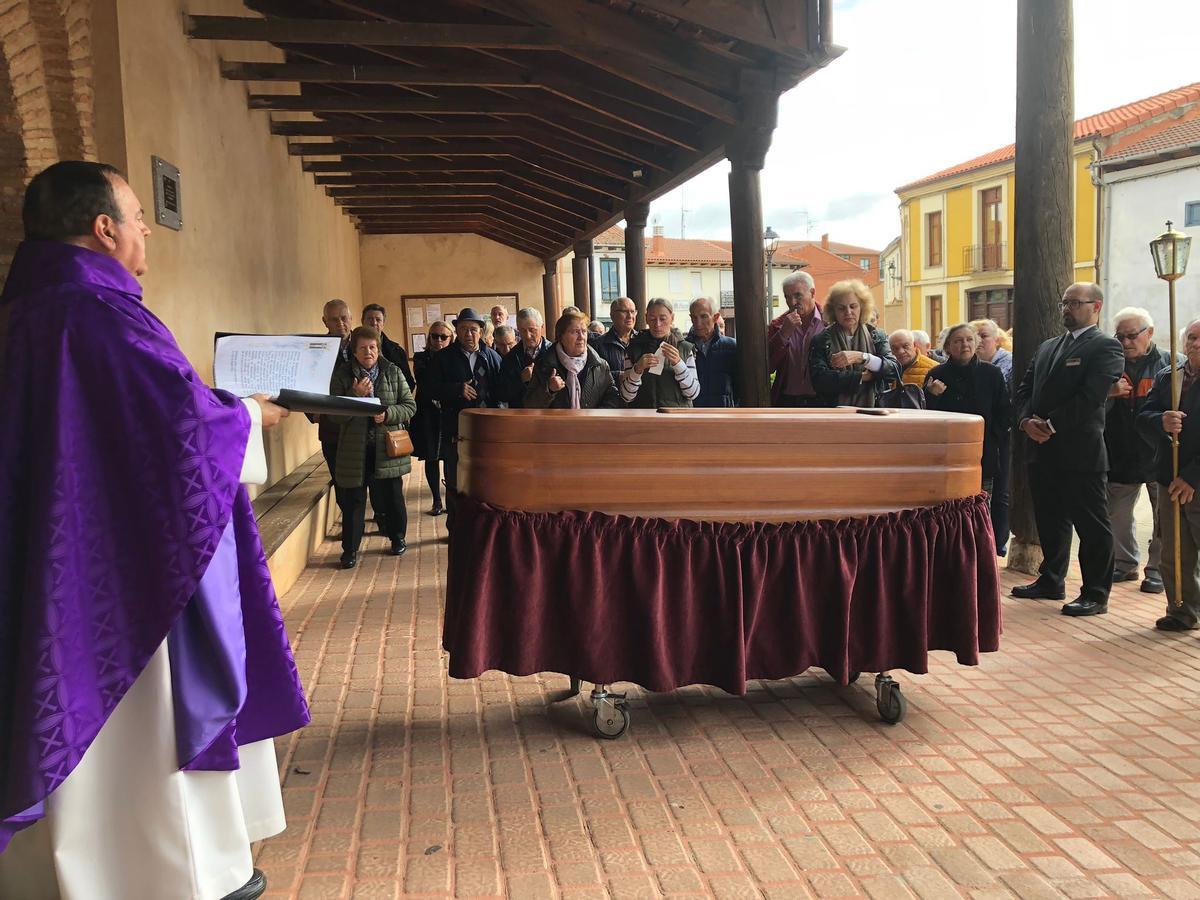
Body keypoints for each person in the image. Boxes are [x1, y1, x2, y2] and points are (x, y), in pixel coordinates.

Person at [0, 161, 309, 899]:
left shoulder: (19, 314)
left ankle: (51, 874)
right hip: (126, 565)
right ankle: (162, 873)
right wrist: (246, 415)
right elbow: (178, 426)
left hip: (46, 556)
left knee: (55, 691)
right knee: (141, 732)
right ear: (103, 228)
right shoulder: (101, 313)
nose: (146, 230)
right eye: (138, 216)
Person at [1012, 282, 1124, 616]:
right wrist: (1025, 422)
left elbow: (1091, 397)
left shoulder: (1106, 346)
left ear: (1096, 306)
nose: (1066, 309)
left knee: (1092, 526)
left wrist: (1050, 425)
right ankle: (1051, 579)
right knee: (1050, 519)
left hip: (1080, 453)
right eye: (1064, 302)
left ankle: (1095, 593)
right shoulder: (1048, 346)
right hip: (1041, 450)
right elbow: (1024, 389)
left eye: (1075, 303)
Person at [329, 326, 417, 569]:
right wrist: (355, 395)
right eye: (363, 348)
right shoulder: (342, 375)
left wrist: (388, 414)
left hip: (386, 448)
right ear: (354, 351)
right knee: (353, 501)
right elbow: (334, 414)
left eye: (372, 347)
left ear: (378, 349)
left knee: (392, 497)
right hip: (354, 449)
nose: (368, 352)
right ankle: (350, 550)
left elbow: (409, 406)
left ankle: (398, 538)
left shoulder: (392, 371)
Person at [1105, 307, 1173, 594]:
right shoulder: (1109, 364)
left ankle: (1156, 569)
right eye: (1120, 336)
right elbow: (1092, 405)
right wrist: (1108, 393)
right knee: (1117, 514)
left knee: (1163, 517)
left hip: (1159, 453)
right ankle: (1124, 563)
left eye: (1132, 335)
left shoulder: (1171, 364)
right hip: (1120, 452)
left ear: (1150, 333)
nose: (1125, 342)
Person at [1139, 318, 1200, 630]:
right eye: (1192, 337)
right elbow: (1143, 417)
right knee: (1174, 552)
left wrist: (1192, 476)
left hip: (1194, 479)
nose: (1196, 343)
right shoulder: (1169, 376)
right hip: (1169, 477)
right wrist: (1160, 421)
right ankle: (1183, 611)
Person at [426, 307, 503, 529]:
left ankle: (483, 531)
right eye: (463, 329)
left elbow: (502, 392)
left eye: (473, 329)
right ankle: (456, 531)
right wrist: (456, 389)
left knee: (485, 483)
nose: (469, 334)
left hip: (486, 433)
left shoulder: (492, 357)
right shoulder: (443, 358)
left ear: (481, 331)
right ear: (457, 332)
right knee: (455, 483)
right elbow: (429, 388)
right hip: (456, 432)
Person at [925, 325, 1011, 515]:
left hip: (984, 452)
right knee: (951, 509)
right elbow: (927, 416)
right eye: (958, 341)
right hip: (948, 454)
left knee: (982, 507)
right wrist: (932, 395)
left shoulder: (991, 373)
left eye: (969, 339)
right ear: (947, 347)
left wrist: (992, 436)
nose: (965, 344)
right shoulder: (936, 374)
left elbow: (1004, 411)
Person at [809, 279, 899, 408]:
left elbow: (893, 370)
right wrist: (862, 377)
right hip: (834, 412)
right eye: (841, 308)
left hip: (874, 411)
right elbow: (820, 380)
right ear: (833, 311)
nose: (848, 312)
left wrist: (862, 357)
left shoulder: (877, 335)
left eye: (853, 306)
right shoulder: (821, 340)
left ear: (862, 307)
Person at [972, 318, 1014, 556]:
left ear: (997, 339)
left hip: (1000, 436)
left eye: (984, 336)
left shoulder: (1007, 364)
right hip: (978, 437)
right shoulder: (973, 365)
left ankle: (998, 541)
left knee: (1000, 491)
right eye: (975, 336)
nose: (979, 341)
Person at [525, 309, 620, 408]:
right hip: (556, 419)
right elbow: (529, 404)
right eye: (575, 332)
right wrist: (549, 389)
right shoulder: (544, 365)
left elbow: (612, 397)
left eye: (584, 331)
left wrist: (595, 415)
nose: (581, 337)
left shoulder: (599, 365)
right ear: (561, 336)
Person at [620, 297, 700, 408]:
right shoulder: (633, 349)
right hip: (643, 416)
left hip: (676, 416)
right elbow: (626, 397)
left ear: (672, 318)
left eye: (663, 319)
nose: (657, 324)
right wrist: (637, 370)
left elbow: (693, 393)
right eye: (652, 319)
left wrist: (679, 364)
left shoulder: (685, 348)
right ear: (646, 318)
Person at [410, 320, 453, 516]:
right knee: (431, 456)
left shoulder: (455, 358)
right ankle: (436, 499)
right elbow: (425, 382)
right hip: (427, 412)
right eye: (435, 336)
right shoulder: (421, 357)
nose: (439, 340)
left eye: (443, 337)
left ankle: (451, 498)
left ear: (451, 338)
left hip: (448, 411)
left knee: (450, 456)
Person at [767, 271, 825, 407]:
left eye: (798, 295)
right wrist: (783, 334)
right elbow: (768, 367)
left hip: (822, 400)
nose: (792, 302)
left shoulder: (829, 322)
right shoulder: (778, 325)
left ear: (812, 293)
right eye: (787, 297)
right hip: (787, 401)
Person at [687, 296, 738, 407]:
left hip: (724, 413)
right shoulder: (684, 347)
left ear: (715, 317)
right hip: (692, 413)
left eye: (703, 316)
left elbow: (741, 386)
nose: (698, 323)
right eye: (694, 317)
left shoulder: (732, 347)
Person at [498, 307, 551, 408]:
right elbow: (502, 394)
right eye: (522, 331)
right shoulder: (511, 356)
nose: (527, 335)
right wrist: (521, 379)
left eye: (532, 330)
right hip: (520, 413)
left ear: (542, 327)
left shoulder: (553, 353)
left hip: (548, 413)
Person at [362, 303, 415, 388]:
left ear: (383, 323)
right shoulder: (353, 348)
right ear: (362, 321)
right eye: (370, 319)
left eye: (378, 320)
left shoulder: (397, 351)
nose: (374, 323)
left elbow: (409, 383)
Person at [591, 296, 638, 386]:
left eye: (632, 312)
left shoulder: (642, 341)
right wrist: (619, 375)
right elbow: (593, 376)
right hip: (612, 393)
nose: (630, 316)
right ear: (612, 315)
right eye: (624, 311)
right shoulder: (598, 345)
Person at [972, 318, 1012, 385]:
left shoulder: (1010, 363)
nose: (978, 340)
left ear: (997, 341)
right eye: (973, 337)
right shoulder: (967, 363)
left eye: (984, 336)